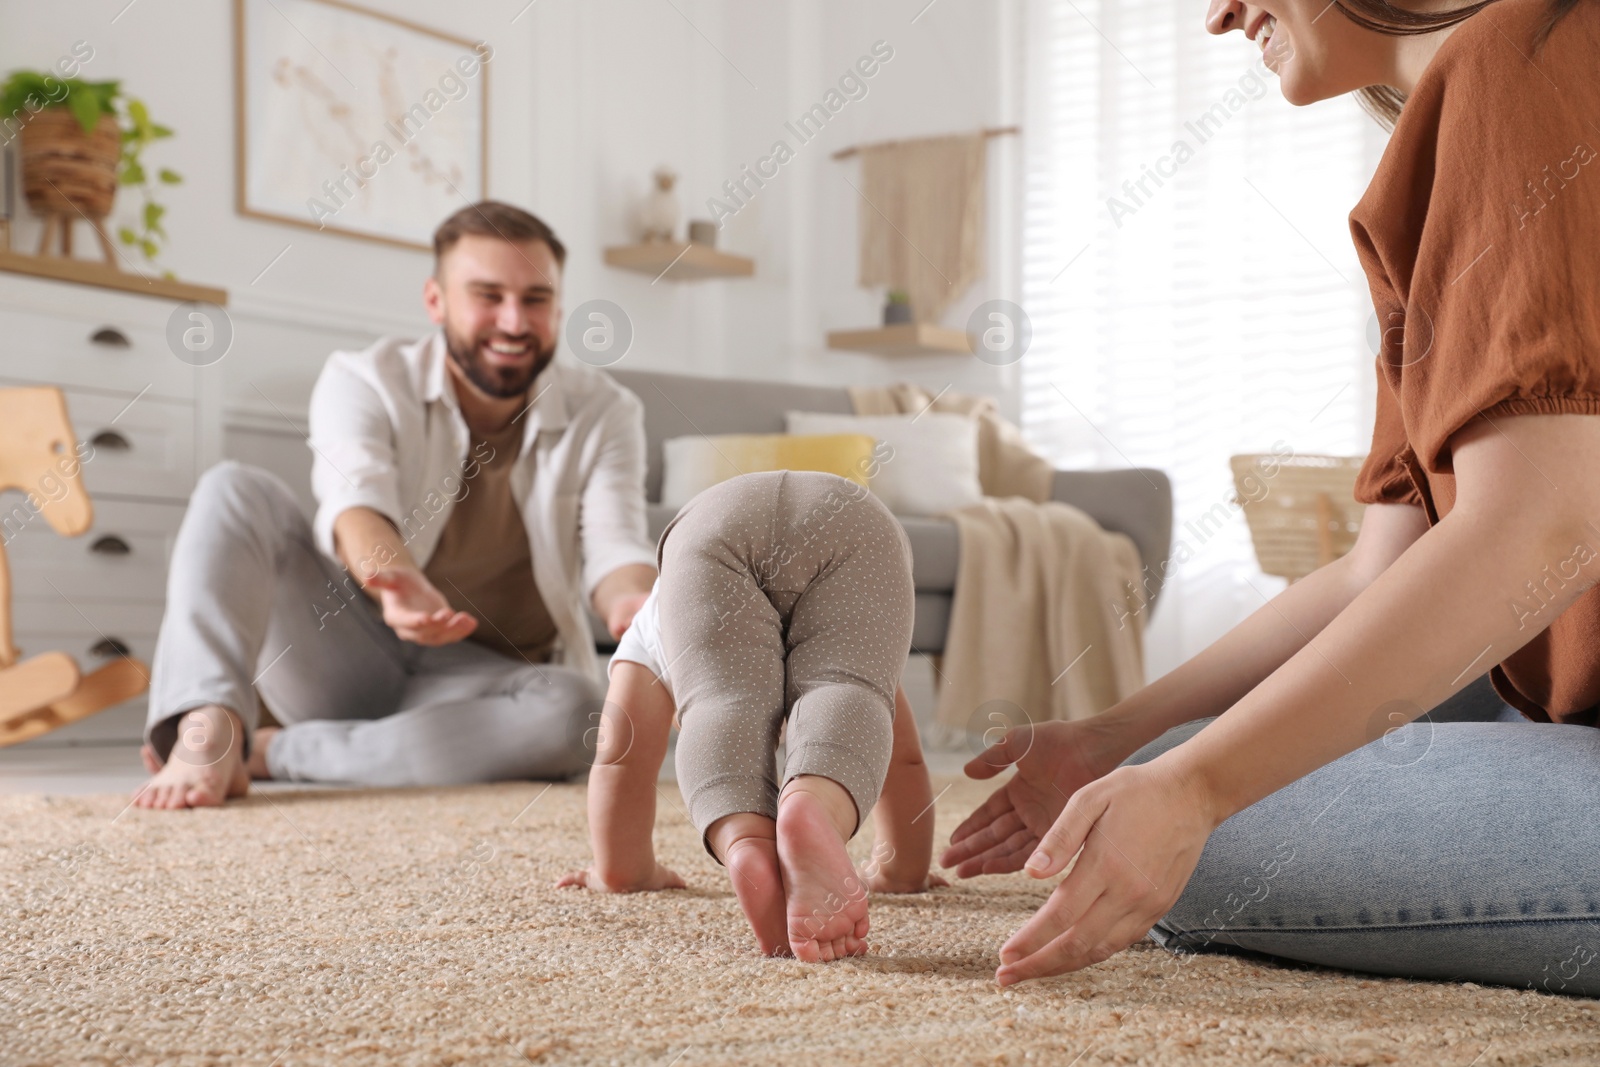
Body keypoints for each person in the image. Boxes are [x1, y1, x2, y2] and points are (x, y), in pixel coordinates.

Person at [942, 0, 1600, 997]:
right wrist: (1109, 737)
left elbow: (1548, 522)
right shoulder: (1467, 122)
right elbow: (1379, 571)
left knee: (1191, 828)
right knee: (1155, 779)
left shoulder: (1515, 58)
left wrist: (1198, 791)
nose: (1216, 14)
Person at [133, 201, 657, 809]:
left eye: (535, 299)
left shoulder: (606, 411)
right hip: (347, 648)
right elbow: (354, 502)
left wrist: (634, 603)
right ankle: (211, 723)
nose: (514, 321)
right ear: (436, 301)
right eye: (487, 296)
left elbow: (616, 543)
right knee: (233, 489)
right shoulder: (365, 379)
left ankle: (275, 751)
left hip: (483, 687)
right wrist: (396, 581)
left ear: (558, 308)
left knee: (582, 714)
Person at [558, 471, 945, 960]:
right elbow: (904, 759)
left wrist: (621, 871)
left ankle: (745, 839)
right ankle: (815, 806)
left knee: (721, 703)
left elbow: (620, 757)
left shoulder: (654, 625)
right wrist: (903, 870)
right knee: (849, 689)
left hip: (710, 529)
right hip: (855, 517)